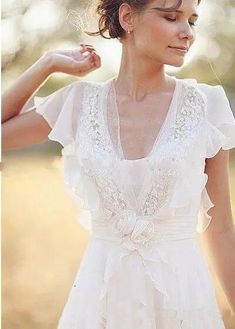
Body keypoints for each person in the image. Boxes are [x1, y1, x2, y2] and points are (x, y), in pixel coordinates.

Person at [2, 0, 235, 328]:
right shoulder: (80, 103)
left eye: (192, 21)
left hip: (182, 300)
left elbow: (221, 227)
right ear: (128, 17)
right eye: (171, 17)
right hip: (99, 299)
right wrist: (47, 64)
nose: (187, 34)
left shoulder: (206, 107)